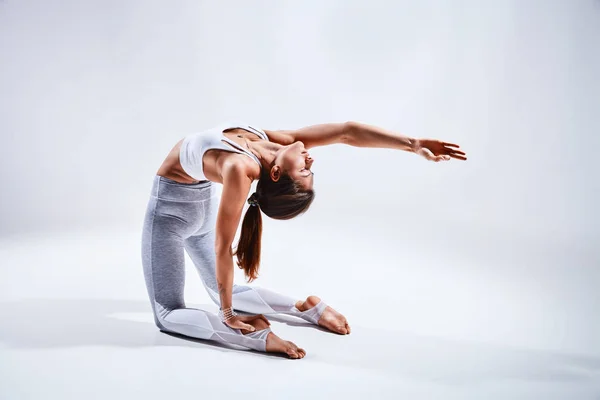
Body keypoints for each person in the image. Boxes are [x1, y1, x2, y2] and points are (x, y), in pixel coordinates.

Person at [141, 121, 467, 359]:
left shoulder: (241, 167)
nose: (311, 161)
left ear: (276, 174)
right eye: (308, 171)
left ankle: (257, 339)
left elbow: (223, 246)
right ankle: (305, 309)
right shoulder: (271, 140)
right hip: (201, 207)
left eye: (305, 172)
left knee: (167, 313)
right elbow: (346, 132)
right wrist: (413, 143)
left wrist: (228, 316)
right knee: (222, 291)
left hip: (171, 214)